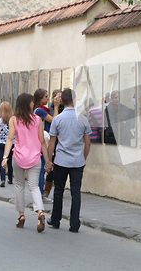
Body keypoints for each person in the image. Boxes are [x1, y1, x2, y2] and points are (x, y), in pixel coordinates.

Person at [1, 93, 51, 232]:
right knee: (34, 187)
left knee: (19, 185)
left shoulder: (14, 120)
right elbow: (42, 141)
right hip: (35, 157)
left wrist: (5, 157)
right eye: (31, 102)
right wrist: (47, 161)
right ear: (28, 104)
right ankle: (40, 212)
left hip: (19, 157)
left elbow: (10, 139)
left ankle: (21, 216)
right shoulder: (37, 119)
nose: (32, 104)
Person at [47, 89, 91, 233]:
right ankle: (74, 224)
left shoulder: (57, 119)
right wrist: (83, 158)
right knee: (76, 192)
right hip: (77, 161)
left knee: (58, 190)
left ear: (61, 101)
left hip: (61, 160)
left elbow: (52, 143)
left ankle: (55, 219)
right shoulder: (82, 118)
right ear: (75, 100)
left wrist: (49, 160)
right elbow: (88, 143)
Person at [33, 88, 59, 203]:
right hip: (43, 140)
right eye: (46, 97)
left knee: (41, 168)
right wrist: (57, 107)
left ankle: (40, 193)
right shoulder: (39, 110)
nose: (48, 99)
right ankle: (40, 194)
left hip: (40, 140)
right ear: (40, 98)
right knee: (42, 168)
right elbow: (55, 120)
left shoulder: (38, 110)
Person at [44, 89, 63, 198]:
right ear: (53, 98)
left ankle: (58, 186)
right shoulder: (49, 108)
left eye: (61, 97)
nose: (60, 99)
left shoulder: (64, 108)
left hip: (61, 140)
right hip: (51, 139)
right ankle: (47, 190)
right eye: (58, 97)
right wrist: (56, 107)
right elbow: (54, 121)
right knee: (50, 165)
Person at [0, 101, 14, 187]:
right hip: (10, 143)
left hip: (0, 143)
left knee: (2, 161)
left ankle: (2, 180)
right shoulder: (13, 119)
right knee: (10, 161)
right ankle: (10, 178)